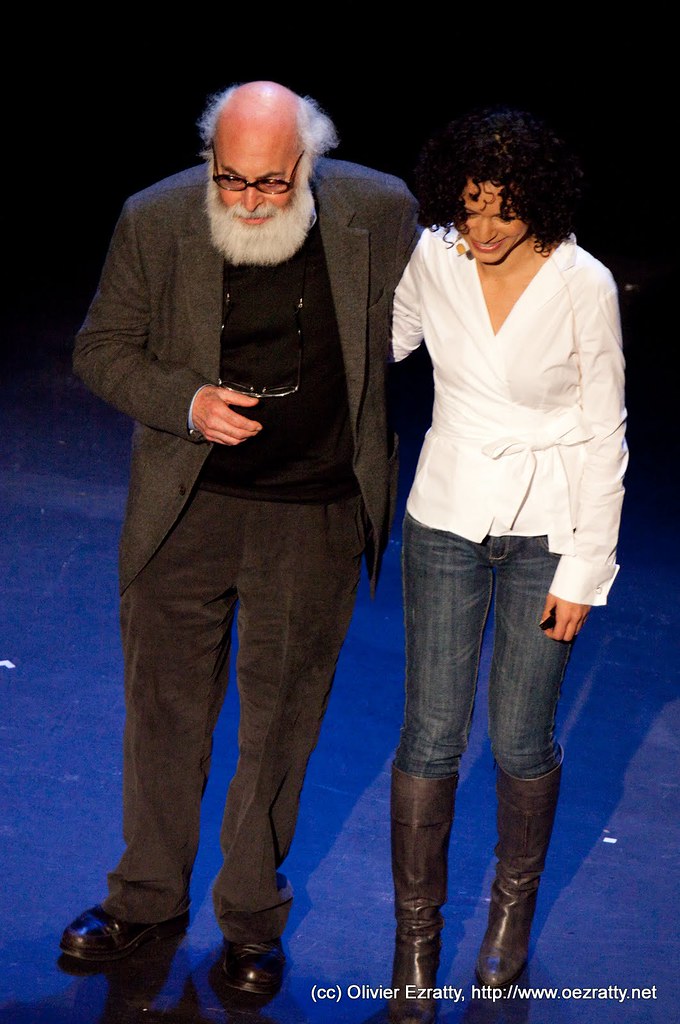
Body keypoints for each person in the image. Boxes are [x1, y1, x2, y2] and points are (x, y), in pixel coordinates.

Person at [59, 80, 419, 998]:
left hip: (314, 512)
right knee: (164, 714)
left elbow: (444, 312)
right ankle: (144, 897)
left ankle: (252, 919)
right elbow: (102, 347)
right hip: (188, 508)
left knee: (281, 725)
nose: (250, 202)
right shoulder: (157, 217)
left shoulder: (378, 211)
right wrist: (186, 403)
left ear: (308, 164)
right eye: (231, 181)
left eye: (269, 183)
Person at [387, 106, 628, 1022]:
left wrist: (585, 570)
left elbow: (606, 430)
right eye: (469, 207)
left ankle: (509, 919)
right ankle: (414, 942)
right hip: (445, 515)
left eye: (502, 210)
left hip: (549, 531)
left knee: (521, 736)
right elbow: (388, 340)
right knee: (430, 735)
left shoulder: (583, 283)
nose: (482, 230)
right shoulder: (436, 256)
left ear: (541, 203)